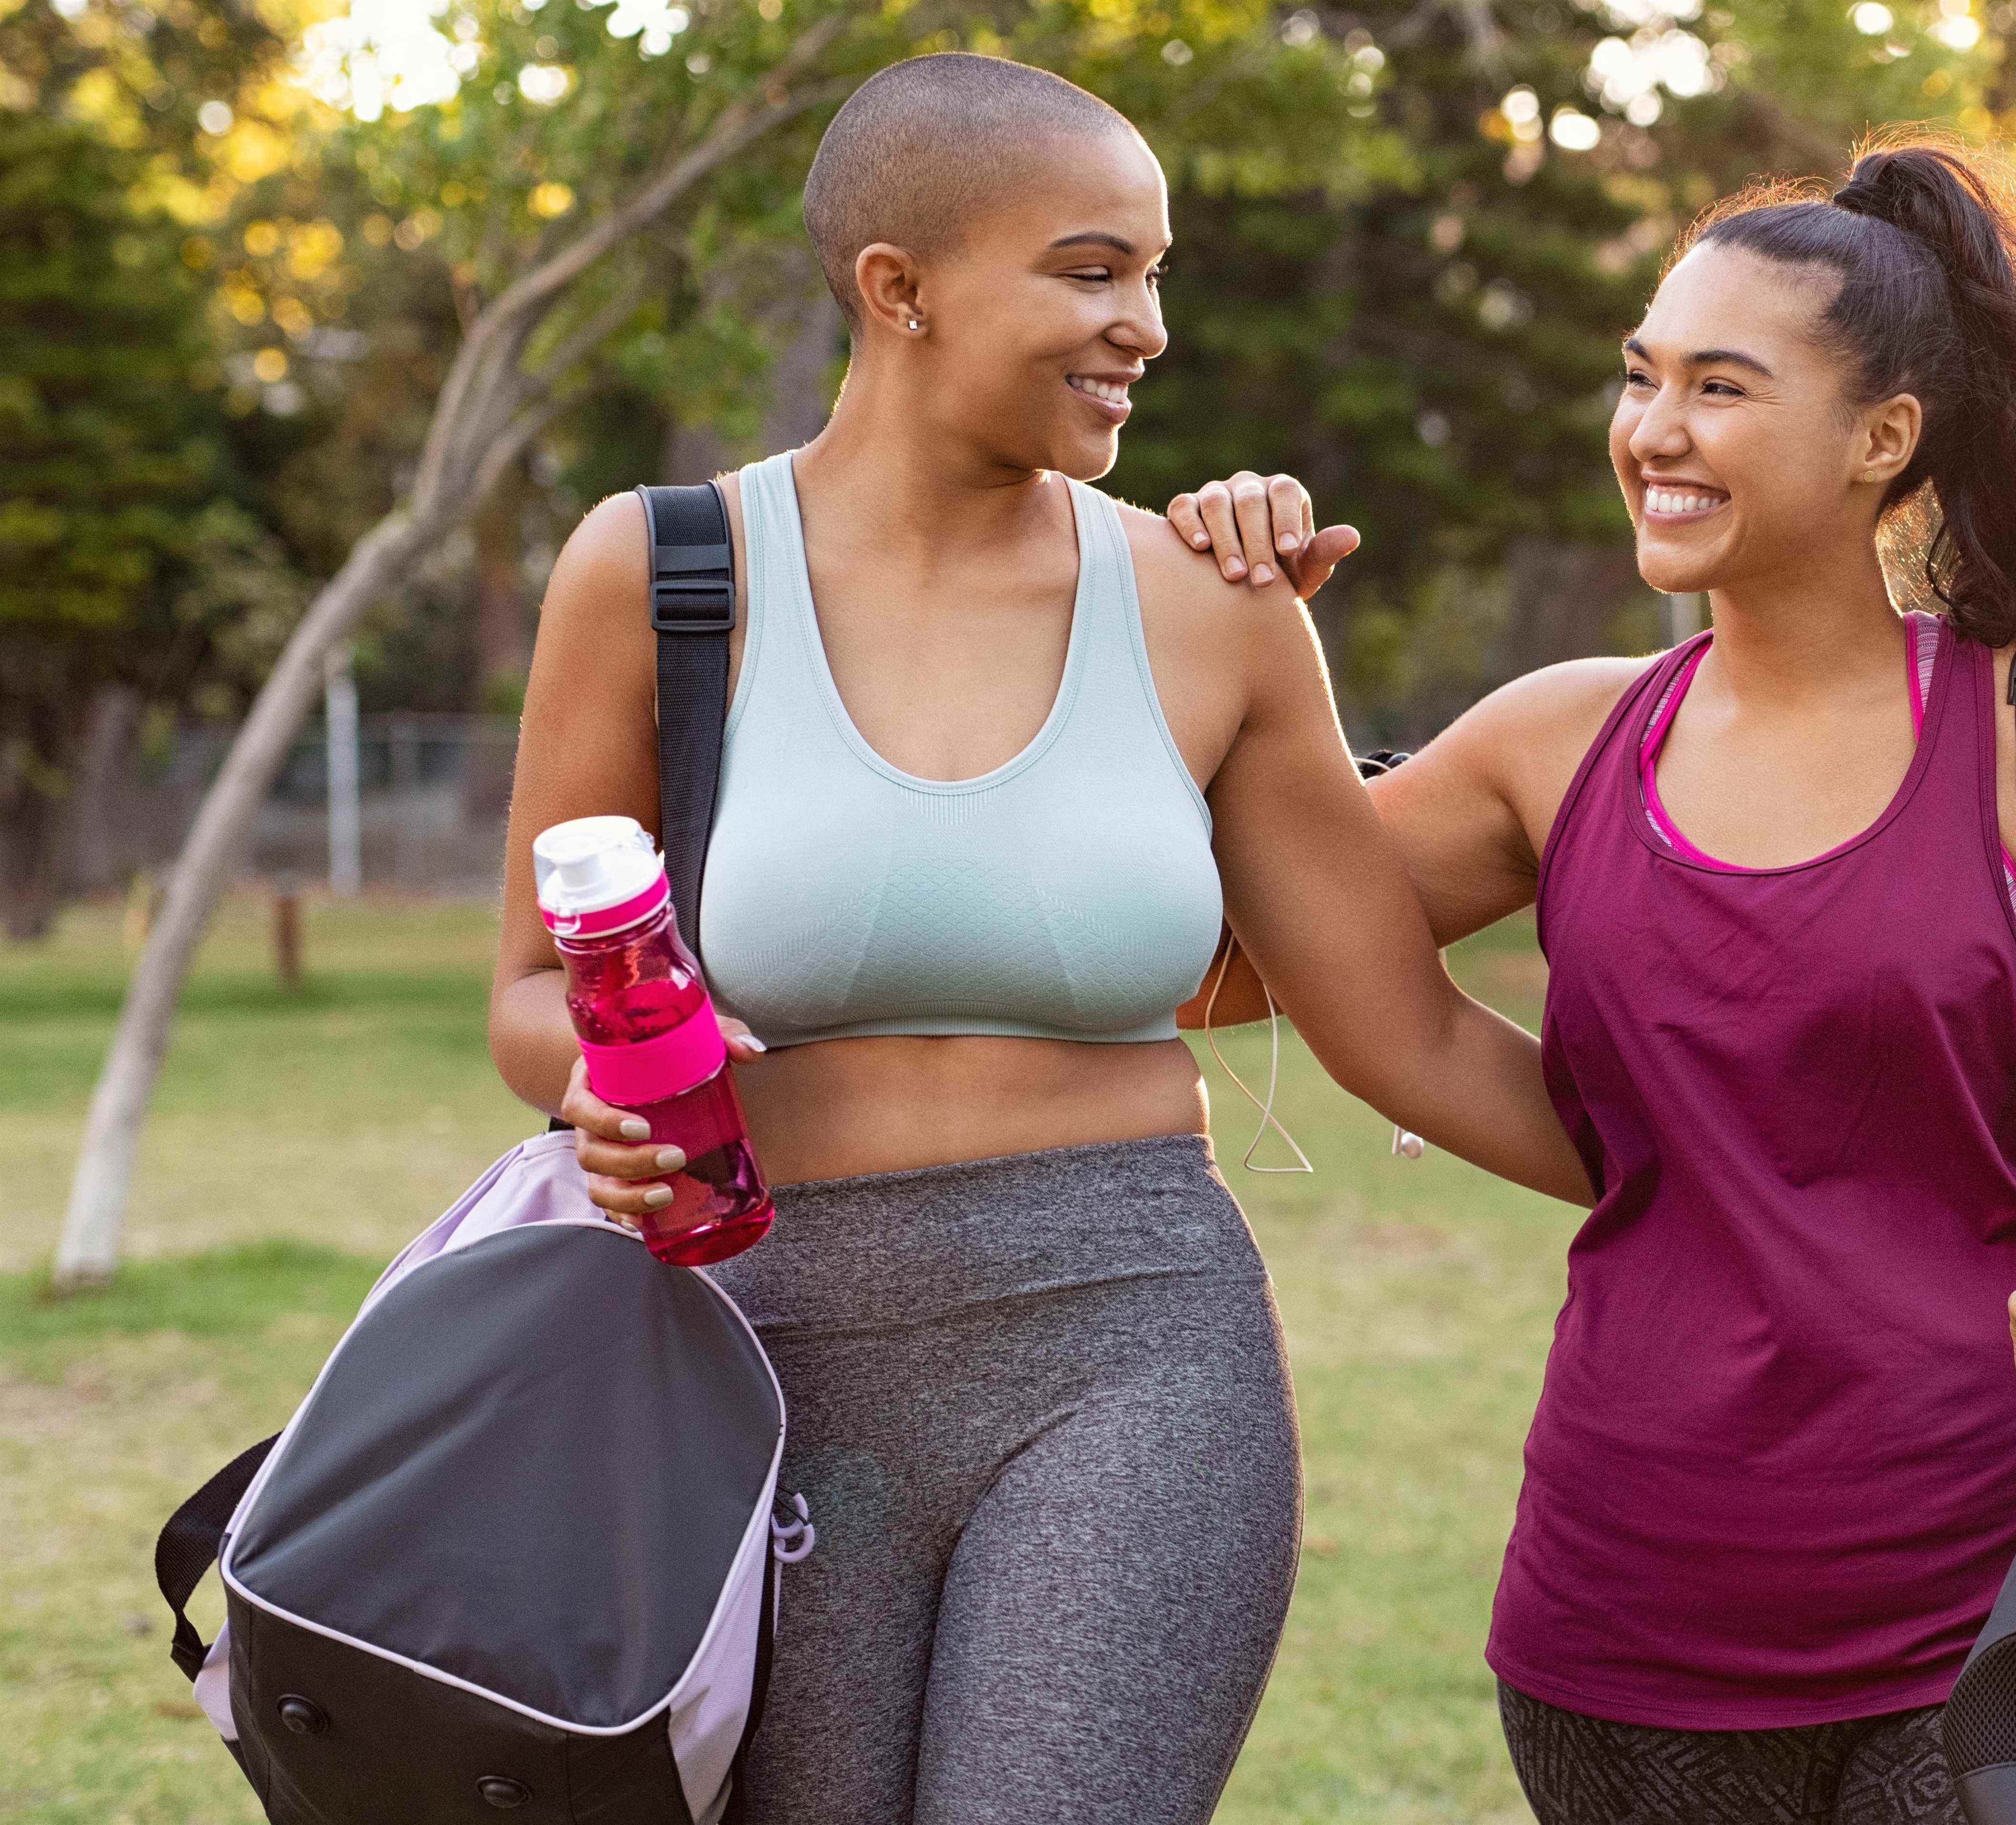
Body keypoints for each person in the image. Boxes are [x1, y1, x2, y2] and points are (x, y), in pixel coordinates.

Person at [488, 53, 1589, 1825]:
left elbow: (1406, 1030)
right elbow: (536, 997)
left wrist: (1742, 1189)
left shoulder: (1210, 605)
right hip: (756, 1359)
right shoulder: (662, 573)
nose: (1144, 325)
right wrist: (601, 1090)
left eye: (1155, 274)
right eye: (1090, 271)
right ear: (898, 288)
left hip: (1135, 1348)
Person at [1170, 135, 2016, 1823]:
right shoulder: (1552, 744)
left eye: (1719, 386)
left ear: (1883, 440)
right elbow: (1217, 974)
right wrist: (1240, 645)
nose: (1654, 432)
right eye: (1640, 379)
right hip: (1628, 1624)